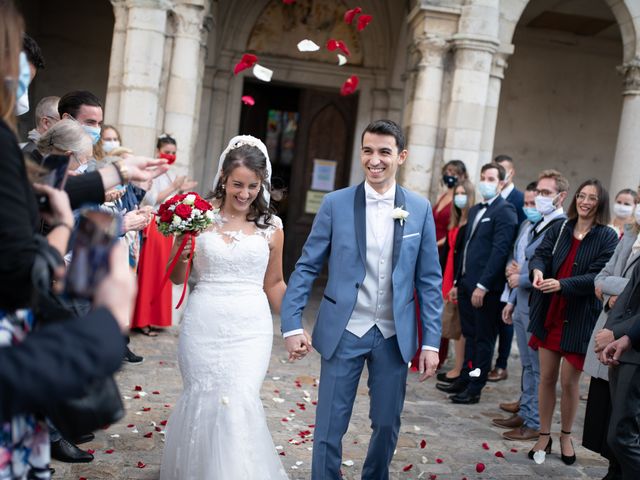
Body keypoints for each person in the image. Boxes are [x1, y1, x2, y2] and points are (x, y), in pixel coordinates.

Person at [0, 3, 133, 476]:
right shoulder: (14, 149)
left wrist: (111, 179)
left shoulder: (70, 169)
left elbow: (43, 200)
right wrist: (109, 321)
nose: (19, 88)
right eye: (14, 73)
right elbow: (22, 272)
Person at [281, 119, 443, 479]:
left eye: (384, 152)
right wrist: (292, 322)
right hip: (344, 331)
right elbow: (306, 266)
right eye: (368, 151)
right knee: (328, 428)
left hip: (393, 333)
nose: (375, 160)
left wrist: (431, 341)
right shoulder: (335, 203)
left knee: (387, 425)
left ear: (400, 156)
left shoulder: (419, 208)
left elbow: (430, 281)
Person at [159, 135, 288, 479]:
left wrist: (293, 326)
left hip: (250, 328)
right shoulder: (196, 217)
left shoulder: (272, 228)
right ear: (223, 179)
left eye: (252, 186)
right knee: (204, 397)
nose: (244, 194)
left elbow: (274, 283)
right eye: (236, 185)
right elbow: (176, 278)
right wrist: (183, 257)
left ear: (262, 184)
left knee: (239, 397)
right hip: (204, 321)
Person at [527, 178, 618, 465]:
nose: (585, 201)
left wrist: (562, 285)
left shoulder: (607, 236)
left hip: (579, 317)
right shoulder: (561, 227)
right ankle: (544, 434)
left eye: (592, 197)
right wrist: (538, 272)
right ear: (574, 199)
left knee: (569, 382)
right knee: (546, 378)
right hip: (550, 311)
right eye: (582, 196)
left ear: (599, 203)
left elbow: (597, 275)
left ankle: (566, 435)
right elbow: (540, 254)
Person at [495, 171, 569, 439]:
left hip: (540, 305)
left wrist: (521, 278)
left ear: (561, 197)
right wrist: (512, 299)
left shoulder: (561, 227)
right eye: (538, 192)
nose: (540, 197)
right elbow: (520, 259)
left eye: (546, 193)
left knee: (539, 369)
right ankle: (525, 412)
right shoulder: (534, 224)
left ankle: (536, 422)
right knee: (526, 365)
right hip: (522, 302)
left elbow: (553, 270)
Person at [437, 162, 518, 404]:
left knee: (483, 339)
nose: (486, 182)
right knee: (469, 335)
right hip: (465, 284)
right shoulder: (474, 211)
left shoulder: (505, 211)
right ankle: (464, 378)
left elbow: (499, 251)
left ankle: (475, 387)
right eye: (483, 177)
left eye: (491, 178)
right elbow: (465, 250)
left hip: (485, 288)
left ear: (502, 183)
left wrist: (483, 285)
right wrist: (456, 282)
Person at [583, 192, 640, 479]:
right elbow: (608, 280)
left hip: (632, 342)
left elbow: (628, 286)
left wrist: (622, 332)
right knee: (608, 422)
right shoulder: (630, 235)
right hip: (615, 333)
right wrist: (610, 302)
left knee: (624, 428)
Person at [131, 134, 197, 336]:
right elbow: (151, 198)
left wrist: (182, 192)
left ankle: (155, 317)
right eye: (166, 152)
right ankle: (142, 319)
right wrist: (175, 186)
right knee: (150, 273)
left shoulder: (171, 173)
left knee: (162, 273)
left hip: (167, 228)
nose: (170, 155)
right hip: (153, 224)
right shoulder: (152, 171)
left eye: (173, 153)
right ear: (158, 150)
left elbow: (170, 201)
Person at [422, 159, 466, 370]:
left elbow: (454, 229)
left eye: (454, 172)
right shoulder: (442, 195)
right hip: (432, 250)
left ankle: (440, 350)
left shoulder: (460, 199)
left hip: (443, 250)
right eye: (447, 171)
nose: (450, 175)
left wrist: (435, 243)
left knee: (440, 299)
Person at [599, 261, 640, 478]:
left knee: (621, 437)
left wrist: (623, 335)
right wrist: (609, 332)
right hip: (623, 349)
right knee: (616, 438)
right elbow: (627, 295)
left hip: (636, 352)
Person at [487, 154, 525, 383]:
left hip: (511, 264)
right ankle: (490, 360)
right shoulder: (492, 196)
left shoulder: (520, 199)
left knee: (506, 316)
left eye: (503, 169)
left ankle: (502, 364)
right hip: (494, 263)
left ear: (511, 173)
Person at [436, 179, 474, 384]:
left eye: (463, 194)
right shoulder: (456, 220)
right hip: (448, 272)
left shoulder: (469, 223)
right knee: (451, 320)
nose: (459, 197)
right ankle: (458, 366)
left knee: (459, 324)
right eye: (457, 193)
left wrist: (457, 282)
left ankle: (459, 368)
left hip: (458, 276)